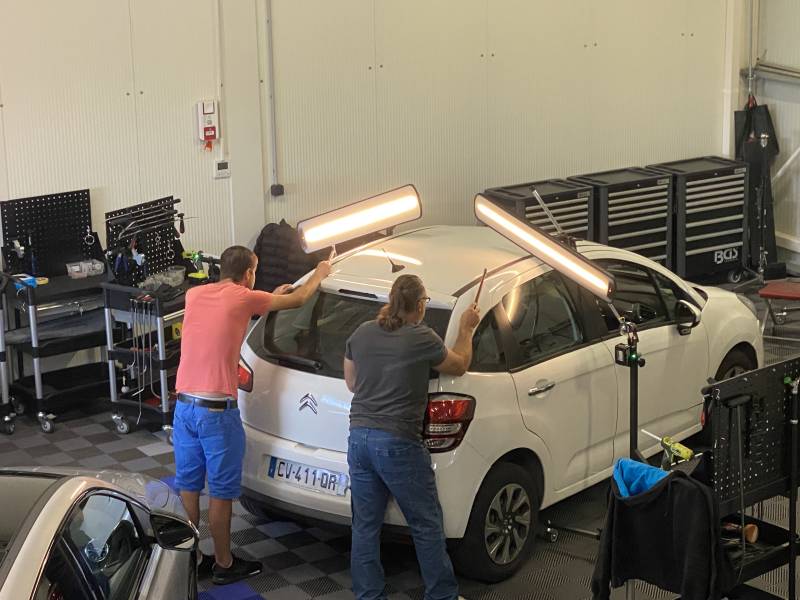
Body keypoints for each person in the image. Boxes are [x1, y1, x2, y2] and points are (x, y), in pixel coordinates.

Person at [173, 245, 331, 585]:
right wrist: (321, 271)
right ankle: (225, 564)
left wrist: (266, 297)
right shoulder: (244, 298)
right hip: (217, 413)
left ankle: (191, 561)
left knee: (187, 487)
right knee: (220, 492)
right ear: (248, 273)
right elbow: (301, 299)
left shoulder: (195, 295)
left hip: (184, 408)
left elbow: (231, 311)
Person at [343, 274, 480, 600]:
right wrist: (467, 328)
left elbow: (351, 383)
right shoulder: (422, 338)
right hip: (397, 442)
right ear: (420, 305)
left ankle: (369, 595)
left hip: (358, 438)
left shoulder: (361, 333)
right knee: (425, 523)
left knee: (364, 526)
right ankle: (442, 595)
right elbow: (459, 365)